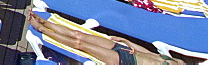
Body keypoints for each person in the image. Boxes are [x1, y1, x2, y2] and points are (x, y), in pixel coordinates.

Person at [27, 13, 183, 65]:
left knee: (79, 44)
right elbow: (152, 54)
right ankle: (45, 22)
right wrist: (126, 41)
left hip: (123, 60)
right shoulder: (179, 62)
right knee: (79, 35)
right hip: (126, 49)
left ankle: (40, 29)